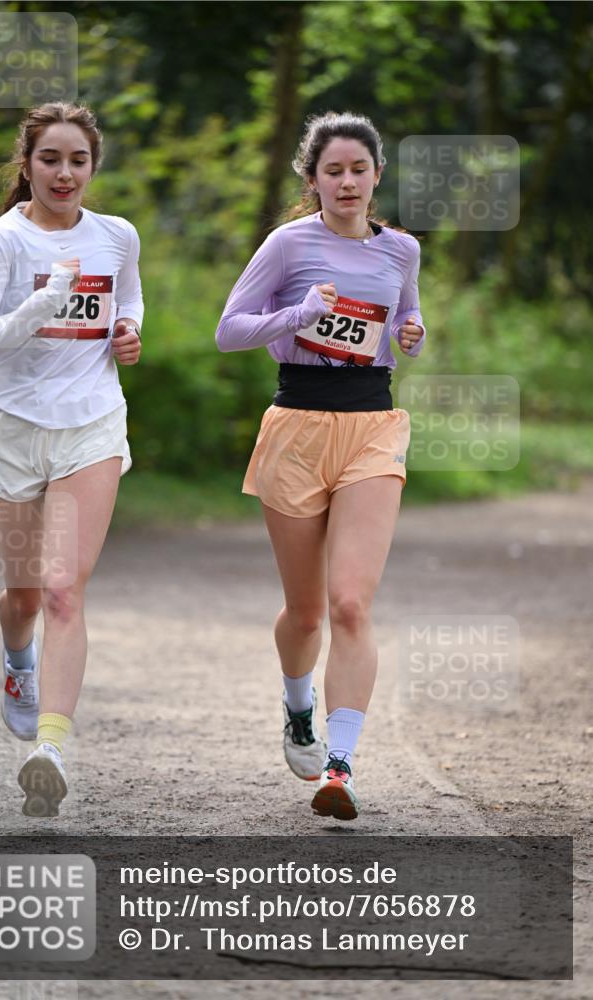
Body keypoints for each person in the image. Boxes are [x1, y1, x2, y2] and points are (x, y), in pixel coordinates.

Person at [215, 111, 426, 821]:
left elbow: (402, 331)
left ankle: (338, 766)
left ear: (375, 176)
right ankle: (297, 706)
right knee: (305, 613)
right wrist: (296, 315)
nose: (346, 181)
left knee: (349, 605)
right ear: (312, 180)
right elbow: (229, 329)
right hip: (297, 427)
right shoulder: (286, 245)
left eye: (358, 169)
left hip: (372, 425)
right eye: (331, 171)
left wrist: (410, 335)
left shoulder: (400, 251)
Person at [0, 102, 143, 817]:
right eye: (50, 160)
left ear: (93, 166)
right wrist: (42, 306)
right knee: (25, 595)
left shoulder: (116, 235)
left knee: (65, 590)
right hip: (11, 429)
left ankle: (51, 748)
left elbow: (128, 299)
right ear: (27, 164)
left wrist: (127, 331)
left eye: (78, 160)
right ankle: (16, 661)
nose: (65, 174)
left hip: (90, 424)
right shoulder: (1, 243)